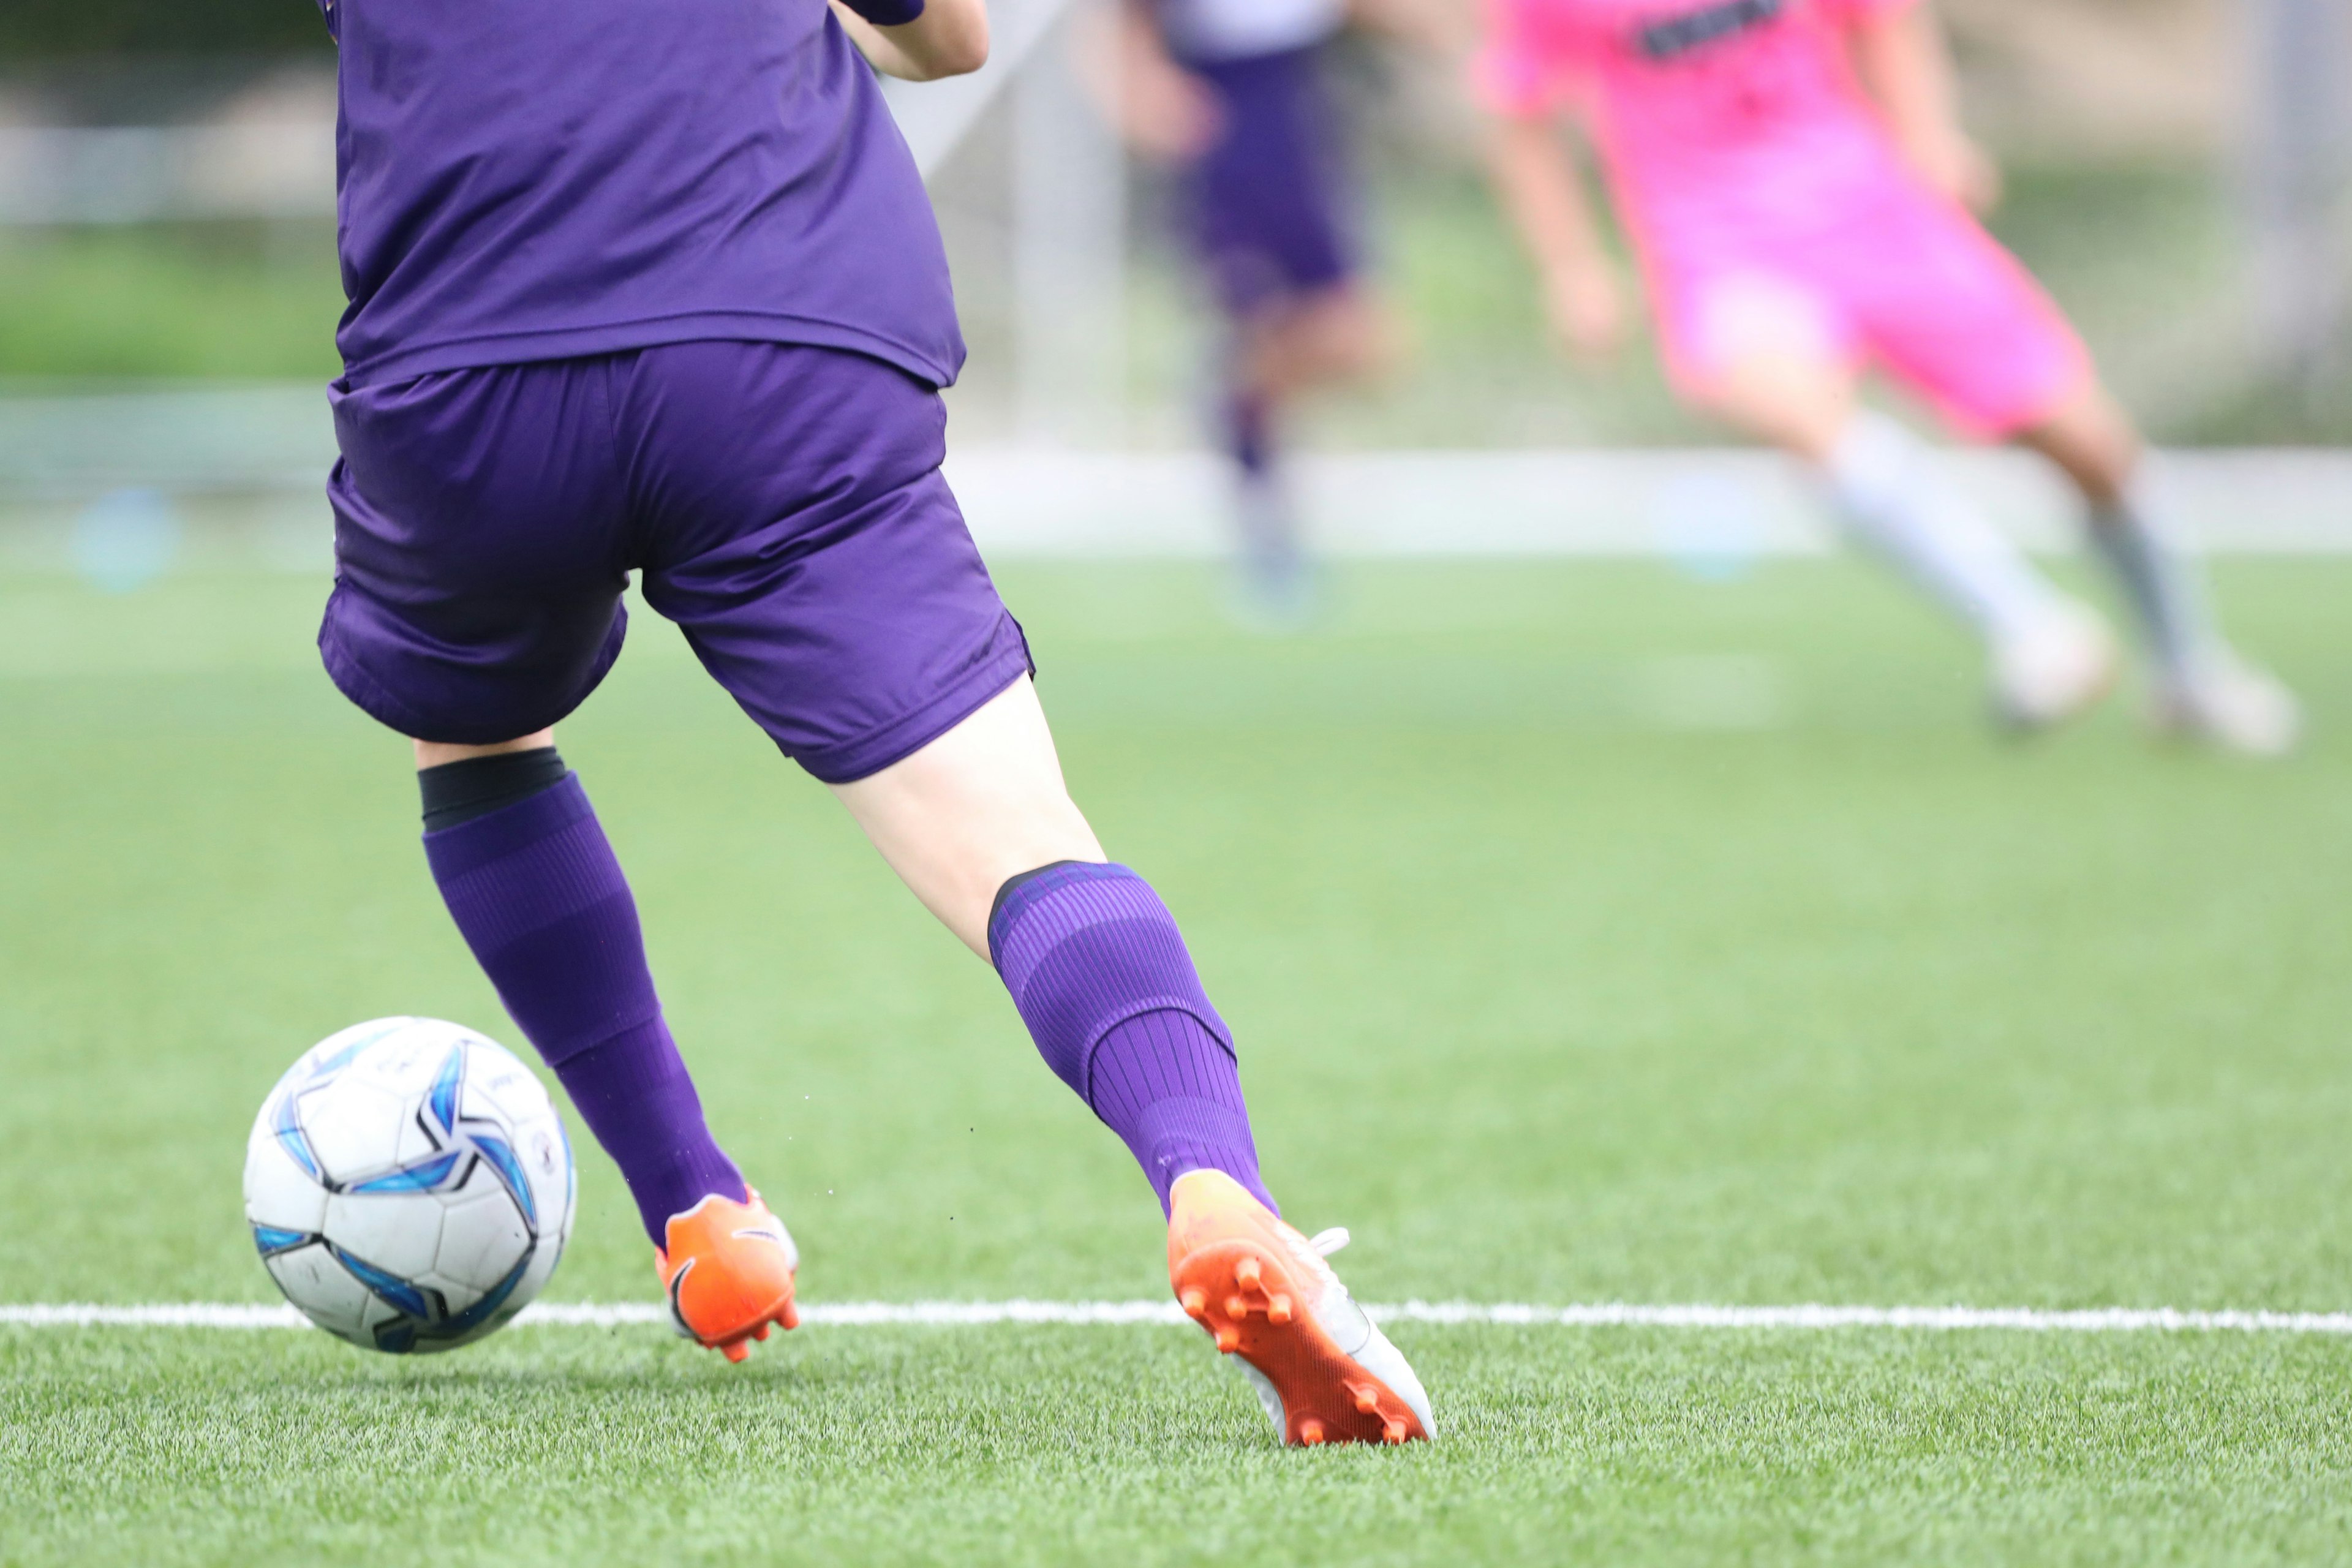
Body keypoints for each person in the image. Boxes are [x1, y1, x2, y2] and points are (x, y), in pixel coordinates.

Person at [310, 0, 1431, 1446]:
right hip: (778, 347)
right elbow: (948, 37)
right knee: (1019, 844)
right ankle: (1214, 1186)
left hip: (465, 364)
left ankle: (695, 1207)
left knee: (476, 746)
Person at [1476, 0, 2302, 752]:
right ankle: (2033, 627)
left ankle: (2189, 673)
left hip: (1875, 210)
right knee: (1792, 412)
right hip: (1717, 243)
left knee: (2088, 445)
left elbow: (1886, 18)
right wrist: (1572, 267)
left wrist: (1929, 139)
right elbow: (1523, 114)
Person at [1103, 0, 1403, 623]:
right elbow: (1121, 31)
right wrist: (1144, 91)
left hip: (1301, 106)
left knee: (1360, 342)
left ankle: (1230, 392)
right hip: (1228, 112)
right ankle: (1268, 535)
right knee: (1257, 319)